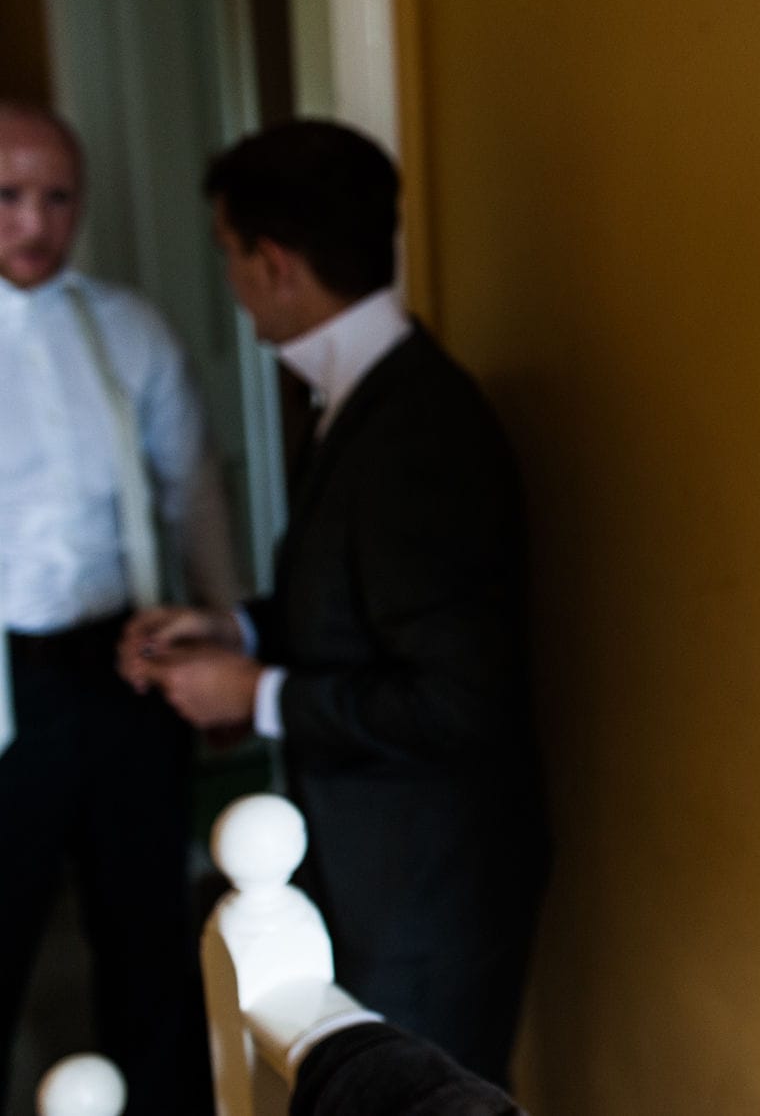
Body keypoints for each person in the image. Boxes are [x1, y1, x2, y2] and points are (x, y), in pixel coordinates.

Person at [119, 119, 550, 1085]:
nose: (231, 280)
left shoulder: (420, 429)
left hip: (430, 892)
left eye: (228, 252)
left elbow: (454, 702)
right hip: (367, 869)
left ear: (274, 263)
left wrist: (255, 693)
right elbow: (358, 605)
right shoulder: (358, 396)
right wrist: (230, 629)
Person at [0, 102, 240, 1112]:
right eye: (8, 195)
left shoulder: (129, 328)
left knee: (146, 927)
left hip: (125, 660)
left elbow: (192, 492)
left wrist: (226, 629)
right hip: (6, 677)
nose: (35, 222)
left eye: (58, 197)